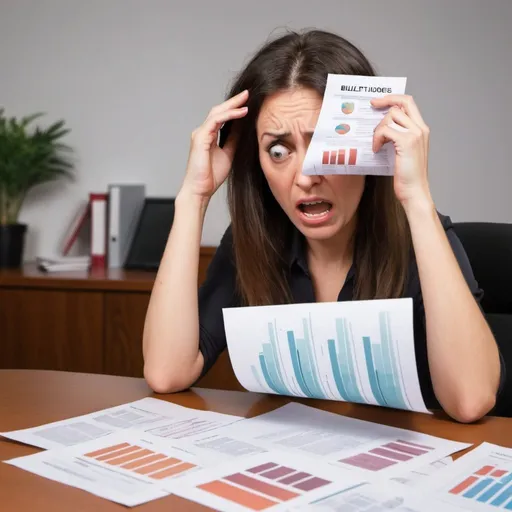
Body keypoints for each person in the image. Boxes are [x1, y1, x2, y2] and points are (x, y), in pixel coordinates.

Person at [142, 29, 504, 423]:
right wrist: (193, 198)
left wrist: (417, 198)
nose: (305, 176)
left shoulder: (422, 242)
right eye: (278, 151)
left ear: (372, 146)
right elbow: (166, 371)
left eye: (323, 146)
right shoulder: (254, 244)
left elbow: (470, 400)